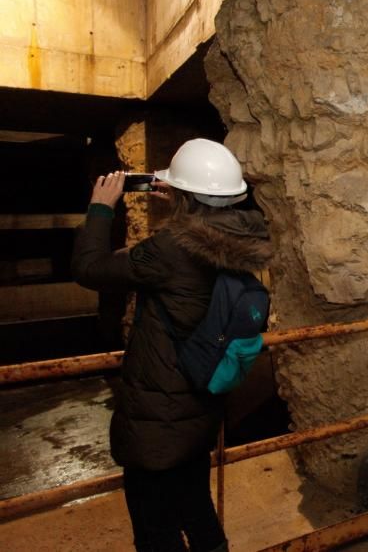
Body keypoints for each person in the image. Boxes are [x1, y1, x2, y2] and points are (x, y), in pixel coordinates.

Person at [72, 138, 272, 552]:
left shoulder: (168, 251)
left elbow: (89, 268)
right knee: (196, 508)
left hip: (157, 421)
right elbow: (202, 234)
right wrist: (185, 205)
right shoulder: (243, 239)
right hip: (201, 405)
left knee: (155, 530)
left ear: (182, 196)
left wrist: (100, 208)